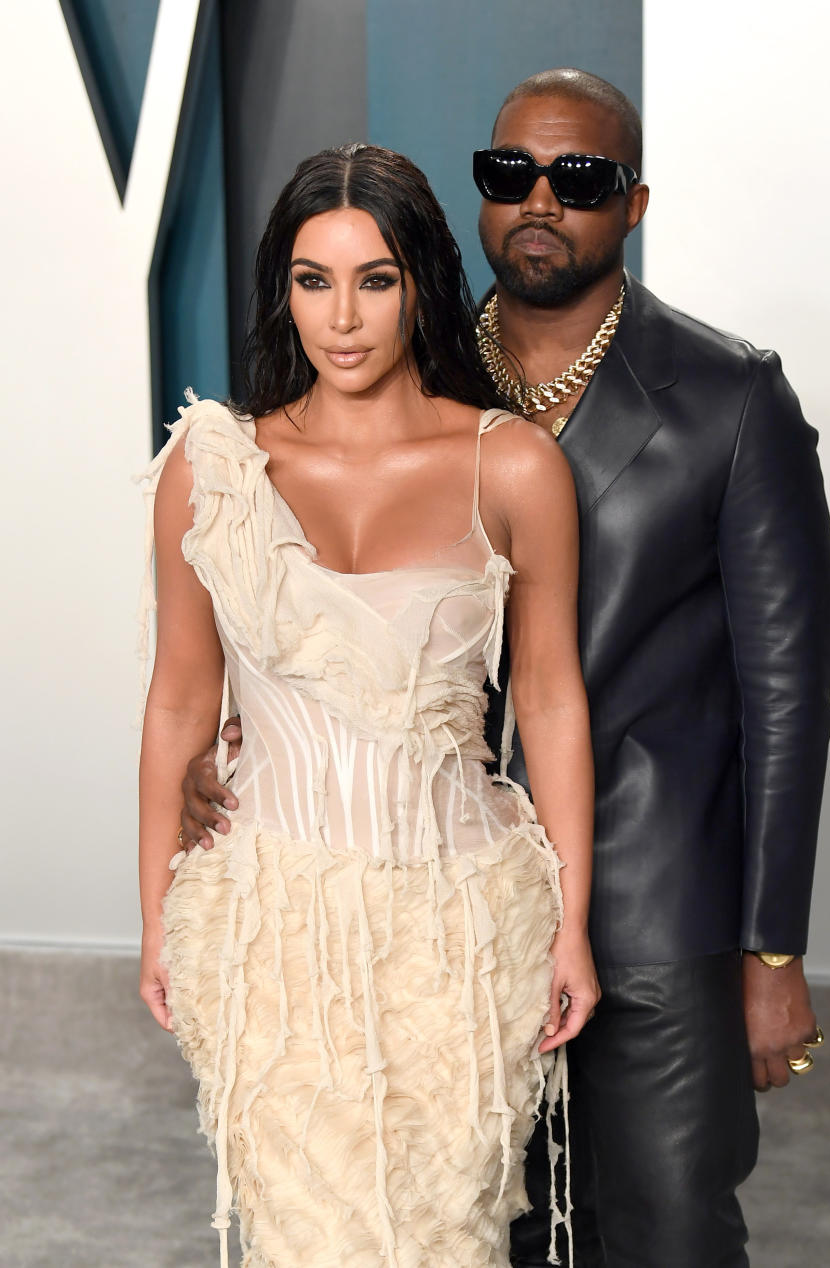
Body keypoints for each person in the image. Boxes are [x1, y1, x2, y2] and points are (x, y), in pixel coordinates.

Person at [180, 71, 830, 1268]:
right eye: (510, 174)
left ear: (632, 204)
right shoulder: (415, 378)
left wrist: (774, 951)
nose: (541, 201)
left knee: (666, 1231)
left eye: (579, 179)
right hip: (438, 909)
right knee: (479, 1230)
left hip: (650, 910)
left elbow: (787, 697)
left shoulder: (731, 399)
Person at [137, 142, 599, 1268]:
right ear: (280, 292)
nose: (342, 316)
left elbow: (547, 695)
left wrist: (573, 921)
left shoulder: (513, 465)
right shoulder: (215, 466)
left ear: (421, 284)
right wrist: (155, 915)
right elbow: (180, 700)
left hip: (461, 928)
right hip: (268, 931)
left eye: (375, 278)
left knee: (449, 1242)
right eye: (313, 278)